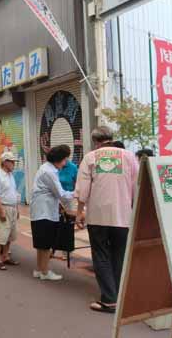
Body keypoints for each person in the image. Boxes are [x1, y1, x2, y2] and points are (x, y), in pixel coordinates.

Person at [75, 126, 139, 314]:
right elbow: (137, 185)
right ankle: (117, 296)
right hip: (123, 216)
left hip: (98, 216)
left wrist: (79, 212)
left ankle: (109, 300)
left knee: (101, 255)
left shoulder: (91, 157)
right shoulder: (129, 157)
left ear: (95, 141)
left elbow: (83, 190)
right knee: (119, 255)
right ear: (111, 137)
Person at [30, 145, 74, 281]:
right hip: (45, 212)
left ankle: (39, 269)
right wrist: (77, 193)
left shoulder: (45, 168)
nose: (65, 163)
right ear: (58, 159)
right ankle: (44, 271)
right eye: (64, 160)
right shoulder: (49, 172)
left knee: (41, 244)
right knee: (46, 244)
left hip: (41, 211)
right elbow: (61, 194)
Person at [0, 152, 20, 270]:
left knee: (9, 235)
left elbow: (14, 193)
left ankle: (5, 256)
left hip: (12, 208)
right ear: (5, 162)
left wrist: (17, 209)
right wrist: (1, 211)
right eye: (11, 162)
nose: (13, 164)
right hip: (3, 207)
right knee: (0, 235)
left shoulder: (11, 176)